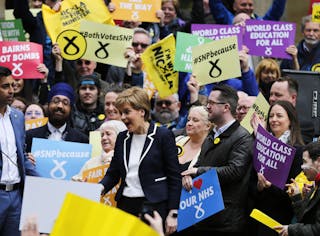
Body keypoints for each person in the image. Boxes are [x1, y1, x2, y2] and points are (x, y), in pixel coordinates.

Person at [99, 87, 181, 235]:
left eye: (127, 112)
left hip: (154, 206)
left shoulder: (163, 136)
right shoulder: (122, 138)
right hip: (125, 205)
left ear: (142, 111)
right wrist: (99, 188)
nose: (123, 117)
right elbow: (113, 173)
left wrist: (173, 212)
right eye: (121, 113)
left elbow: (174, 177)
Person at [182, 85, 253, 235]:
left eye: (212, 103)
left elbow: (235, 170)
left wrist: (198, 171)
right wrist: (189, 176)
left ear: (226, 107)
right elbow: (200, 162)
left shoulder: (242, 137)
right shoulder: (212, 135)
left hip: (226, 220)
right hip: (204, 215)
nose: (207, 106)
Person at [249, 100, 304, 236]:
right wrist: (259, 187)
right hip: (254, 215)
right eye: (271, 116)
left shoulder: (298, 151)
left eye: (279, 116)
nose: (274, 120)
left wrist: (270, 186)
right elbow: (250, 180)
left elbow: (293, 188)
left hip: (280, 218)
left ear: (290, 120)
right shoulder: (260, 143)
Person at [0, 66, 38, 236]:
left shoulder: (18, 116)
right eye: (4, 86)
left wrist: (46, 182)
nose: (11, 91)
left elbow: (20, 155)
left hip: (16, 196)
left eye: (12, 85)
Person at [25, 82, 88, 153]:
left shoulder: (81, 140)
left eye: (65, 103)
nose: (60, 106)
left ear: (70, 109)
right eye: (56, 101)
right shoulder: (30, 137)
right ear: (48, 105)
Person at [274, 141, 320, 236]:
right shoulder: (315, 185)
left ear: (318, 161)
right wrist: (297, 198)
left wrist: (290, 230)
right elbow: (303, 218)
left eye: (305, 162)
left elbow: (317, 230)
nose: (302, 167)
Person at [269, 77, 314, 144]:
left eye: (278, 95)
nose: (271, 98)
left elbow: (294, 151)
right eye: (271, 94)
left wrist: (262, 134)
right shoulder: (263, 118)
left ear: (293, 98)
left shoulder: (304, 126)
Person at [176, 106, 211, 172]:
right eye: (188, 120)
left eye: (195, 120)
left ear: (208, 126)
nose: (189, 123)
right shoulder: (177, 140)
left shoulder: (211, 150)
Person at [209, 0, 286, 25]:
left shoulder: (260, 23)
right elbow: (216, 4)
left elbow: (276, 11)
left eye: (250, 5)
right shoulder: (228, 21)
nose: (247, 8)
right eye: (243, 5)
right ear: (234, 7)